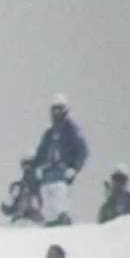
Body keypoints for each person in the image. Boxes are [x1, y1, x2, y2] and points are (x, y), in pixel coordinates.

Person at [32, 94, 88, 226]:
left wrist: (74, 168)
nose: (56, 112)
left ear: (65, 111)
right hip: (47, 173)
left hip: (62, 172)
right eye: (54, 109)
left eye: (59, 109)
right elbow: (41, 152)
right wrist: (37, 167)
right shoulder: (49, 133)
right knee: (47, 200)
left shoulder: (71, 130)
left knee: (59, 198)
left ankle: (63, 220)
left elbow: (81, 151)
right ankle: (51, 223)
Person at [0, 156, 44, 225]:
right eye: (25, 166)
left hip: (31, 216)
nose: (27, 168)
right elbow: (8, 206)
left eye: (29, 165)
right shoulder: (19, 185)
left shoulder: (38, 184)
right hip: (27, 216)